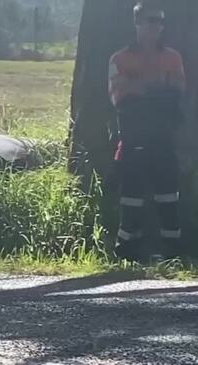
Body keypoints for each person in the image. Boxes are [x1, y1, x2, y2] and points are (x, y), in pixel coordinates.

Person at [109, 1, 186, 262]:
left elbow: (178, 89)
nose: (156, 26)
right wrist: (158, 88)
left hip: (164, 138)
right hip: (133, 139)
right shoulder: (118, 58)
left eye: (160, 21)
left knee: (168, 196)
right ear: (137, 23)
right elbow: (119, 94)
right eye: (151, 21)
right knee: (131, 197)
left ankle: (172, 253)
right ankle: (127, 252)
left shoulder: (173, 57)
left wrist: (138, 84)